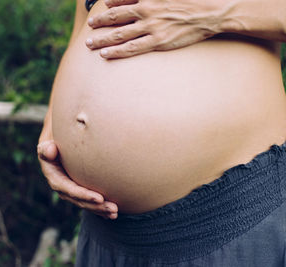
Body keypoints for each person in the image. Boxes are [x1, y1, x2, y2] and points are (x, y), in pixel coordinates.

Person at [37, 0, 286, 265]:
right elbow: (83, 26)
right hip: (105, 232)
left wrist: (212, 14)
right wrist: (51, 131)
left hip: (224, 219)